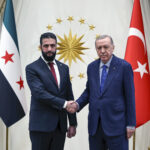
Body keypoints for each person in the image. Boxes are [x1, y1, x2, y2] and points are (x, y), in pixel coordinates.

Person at [66, 35, 136, 150]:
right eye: (99, 48)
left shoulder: (124, 67)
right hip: (95, 127)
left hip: (117, 126)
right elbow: (89, 92)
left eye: (106, 47)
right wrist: (77, 104)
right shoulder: (91, 67)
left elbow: (130, 97)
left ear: (113, 47)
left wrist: (131, 124)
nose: (102, 51)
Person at [26, 32, 77, 150]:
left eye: (52, 46)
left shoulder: (64, 68)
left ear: (56, 47)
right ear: (40, 47)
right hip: (40, 127)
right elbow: (39, 93)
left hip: (60, 127)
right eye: (46, 46)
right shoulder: (32, 68)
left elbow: (69, 95)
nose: (49, 49)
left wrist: (73, 123)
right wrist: (64, 104)